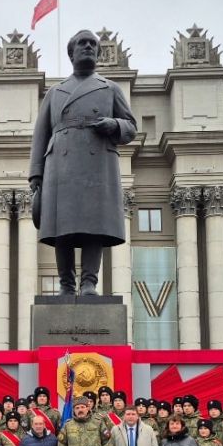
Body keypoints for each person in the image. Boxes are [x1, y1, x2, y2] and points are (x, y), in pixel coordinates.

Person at [28, 28, 137, 296]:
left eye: (92, 44)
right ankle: (66, 284)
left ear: (98, 53)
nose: (88, 47)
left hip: (96, 164)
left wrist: (113, 124)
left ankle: (89, 282)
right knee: (61, 227)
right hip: (60, 166)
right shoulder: (55, 92)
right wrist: (36, 175)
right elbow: (40, 134)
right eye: (82, 43)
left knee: (93, 225)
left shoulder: (110, 88)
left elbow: (131, 127)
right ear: (71, 52)